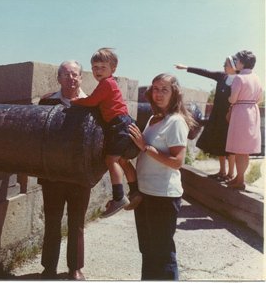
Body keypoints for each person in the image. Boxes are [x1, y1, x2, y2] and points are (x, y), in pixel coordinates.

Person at [129, 73, 197, 280]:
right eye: (156, 89)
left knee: (163, 253)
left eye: (164, 90)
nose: (158, 94)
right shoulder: (154, 118)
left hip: (163, 196)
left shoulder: (176, 122)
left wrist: (145, 147)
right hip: (146, 193)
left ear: (174, 94)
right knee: (148, 250)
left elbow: (177, 161)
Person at [71, 48, 141, 217]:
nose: (98, 71)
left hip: (119, 125)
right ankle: (135, 191)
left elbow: (92, 101)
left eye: (103, 67)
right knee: (123, 161)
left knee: (111, 160)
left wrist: (76, 101)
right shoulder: (109, 84)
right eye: (95, 67)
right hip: (124, 123)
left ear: (113, 69)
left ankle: (118, 197)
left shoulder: (107, 84)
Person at [38, 60, 89, 280]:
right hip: (53, 174)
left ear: (81, 78)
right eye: (66, 74)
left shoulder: (92, 103)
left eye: (75, 74)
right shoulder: (47, 101)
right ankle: (48, 267)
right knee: (52, 221)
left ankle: (74, 268)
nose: (71, 78)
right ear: (58, 78)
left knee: (76, 222)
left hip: (80, 175)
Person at [175, 56, 237, 182]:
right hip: (218, 115)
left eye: (226, 64)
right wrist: (187, 68)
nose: (223, 66)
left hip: (230, 116)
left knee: (230, 146)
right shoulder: (222, 76)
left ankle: (231, 173)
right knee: (220, 143)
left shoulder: (239, 80)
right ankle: (222, 171)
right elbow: (205, 72)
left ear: (233, 65)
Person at [225, 50, 263, 190]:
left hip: (241, 112)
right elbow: (260, 99)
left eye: (238, 60)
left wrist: (230, 100)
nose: (236, 63)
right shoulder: (257, 78)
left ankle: (240, 180)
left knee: (240, 149)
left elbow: (233, 99)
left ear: (242, 62)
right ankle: (238, 177)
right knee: (244, 149)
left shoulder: (239, 78)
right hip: (252, 112)